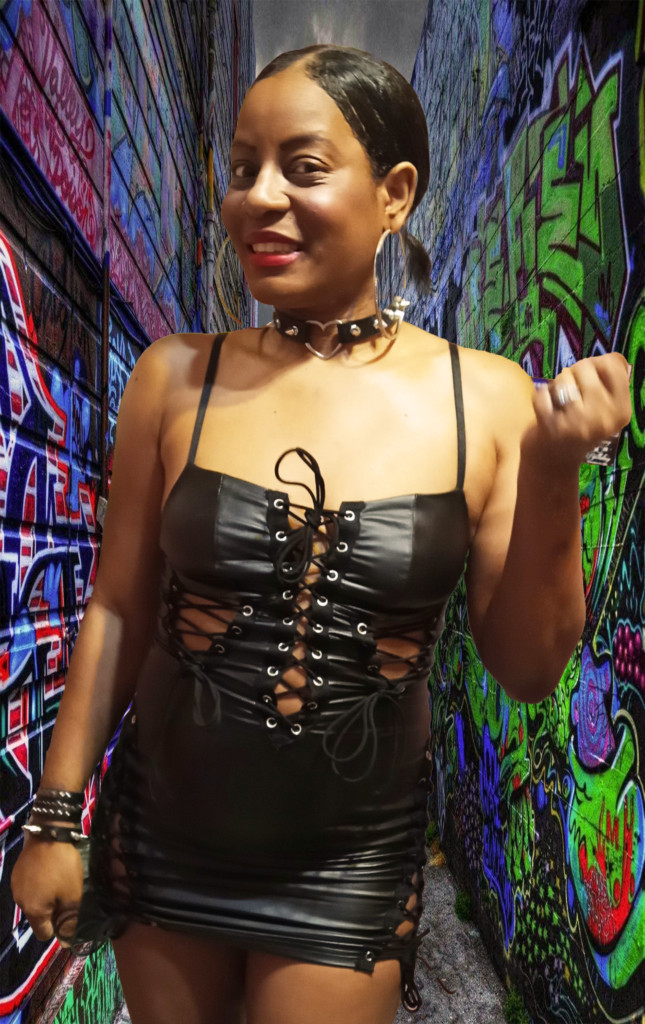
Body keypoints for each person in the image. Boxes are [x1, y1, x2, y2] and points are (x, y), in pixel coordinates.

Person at [10, 44, 631, 1024]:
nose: (258, 198)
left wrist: (555, 469)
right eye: (243, 168)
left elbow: (526, 666)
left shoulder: (484, 399)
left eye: (301, 167)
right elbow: (119, 610)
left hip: (351, 864)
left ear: (394, 194)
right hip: (160, 839)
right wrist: (53, 814)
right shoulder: (175, 377)